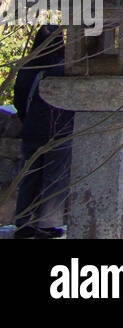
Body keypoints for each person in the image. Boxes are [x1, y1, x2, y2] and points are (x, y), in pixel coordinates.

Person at [12, 26, 72, 239]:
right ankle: (47, 223)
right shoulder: (64, 68)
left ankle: (24, 220)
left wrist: (26, 119)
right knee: (55, 178)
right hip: (59, 130)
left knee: (30, 175)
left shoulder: (27, 67)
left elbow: (19, 97)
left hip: (31, 129)